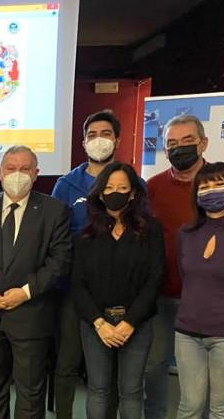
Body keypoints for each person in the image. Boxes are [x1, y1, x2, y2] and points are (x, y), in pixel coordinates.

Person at [144, 115, 224, 419]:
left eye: (187, 141)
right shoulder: (153, 187)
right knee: (156, 369)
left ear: (203, 143)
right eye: (172, 143)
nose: (179, 148)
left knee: (218, 399)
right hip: (164, 298)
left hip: (222, 309)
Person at [0, 145, 71, 419]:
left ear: (36, 173)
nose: (18, 174)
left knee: (30, 395)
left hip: (31, 316)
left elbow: (60, 261)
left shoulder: (54, 210)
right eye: (11, 168)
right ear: (0, 173)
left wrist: (26, 292)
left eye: (25, 169)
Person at [71, 162, 163, 419]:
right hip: (96, 324)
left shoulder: (150, 230)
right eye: (109, 188)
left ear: (133, 193)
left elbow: (155, 278)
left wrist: (130, 322)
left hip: (137, 323)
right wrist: (100, 323)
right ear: (100, 193)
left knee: (131, 391)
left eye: (122, 188)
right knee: (98, 390)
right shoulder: (86, 235)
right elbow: (78, 284)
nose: (116, 193)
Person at [51, 110, 128, 418]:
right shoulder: (66, 185)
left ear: (117, 140)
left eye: (106, 134)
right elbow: (54, 237)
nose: (99, 140)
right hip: (72, 289)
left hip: (117, 291)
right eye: (92, 135)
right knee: (67, 361)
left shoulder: (131, 183)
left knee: (110, 367)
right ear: (83, 143)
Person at [174, 162, 224, 419]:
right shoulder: (186, 233)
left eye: (219, 184)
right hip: (188, 331)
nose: (211, 190)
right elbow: (186, 276)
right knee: (190, 405)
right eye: (204, 186)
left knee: (221, 409)